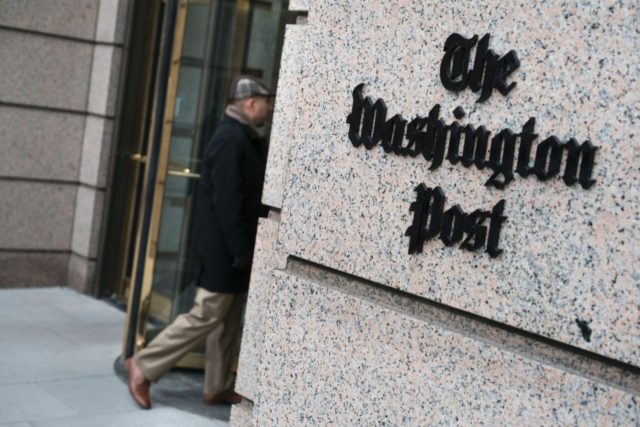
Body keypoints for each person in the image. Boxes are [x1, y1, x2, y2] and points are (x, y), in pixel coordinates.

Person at [126, 75, 274, 409]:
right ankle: (143, 365)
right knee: (206, 315)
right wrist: (239, 250)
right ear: (251, 103)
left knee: (229, 322)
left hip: (238, 250)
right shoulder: (229, 140)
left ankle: (217, 386)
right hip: (224, 251)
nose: (269, 107)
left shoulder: (247, 139)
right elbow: (226, 203)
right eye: (266, 101)